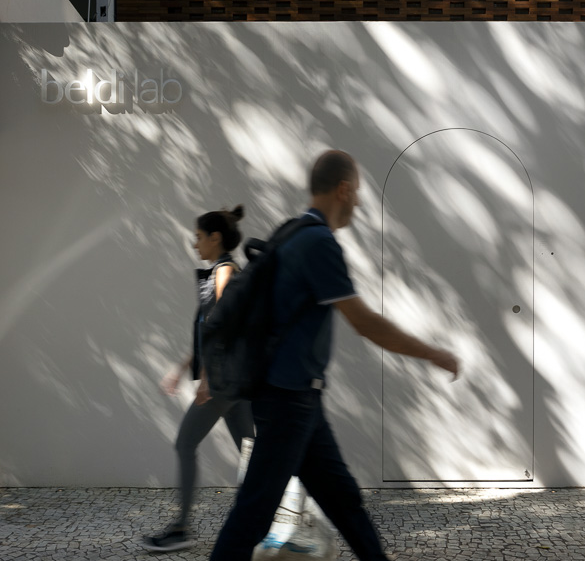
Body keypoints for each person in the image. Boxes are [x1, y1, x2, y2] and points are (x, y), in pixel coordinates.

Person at [209, 151, 459, 561]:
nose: (357, 202)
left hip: (298, 398)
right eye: (356, 192)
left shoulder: (292, 232)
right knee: (253, 515)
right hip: (288, 399)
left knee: (343, 500)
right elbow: (366, 323)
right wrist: (431, 352)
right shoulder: (318, 242)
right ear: (343, 190)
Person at [142, 205, 255, 553]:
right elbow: (207, 331)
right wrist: (182, 368)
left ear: (215, 238)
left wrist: (206, 378)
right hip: (235, 381)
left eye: (198, 237)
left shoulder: (224, 272)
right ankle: (270, 523)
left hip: (222, 381)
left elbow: (219, 329)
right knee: (252, 453)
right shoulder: (221, 272)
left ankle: (181, 529)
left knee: (185, 444)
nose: (195, 244)